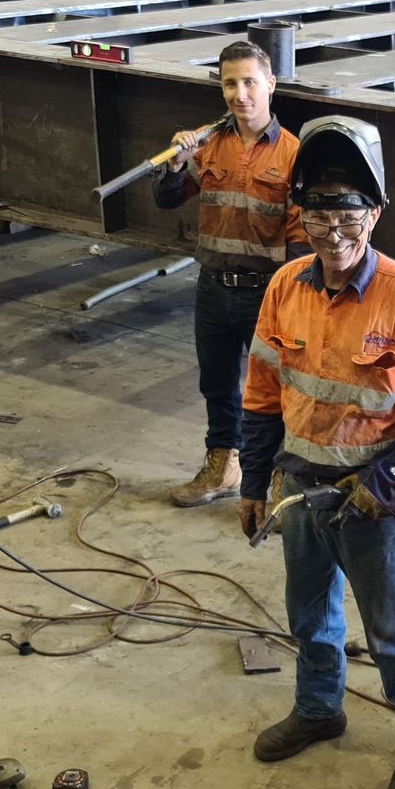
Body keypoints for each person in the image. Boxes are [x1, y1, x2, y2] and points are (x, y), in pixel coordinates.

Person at [237, 117, 395, 789]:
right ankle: (319, 710)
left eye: (347, 213)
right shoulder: (285, 286)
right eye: (317, 212)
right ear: (300, 216)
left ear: (373, 215)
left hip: (371, 503)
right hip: (300, 492)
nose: (331, 229)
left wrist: (387, 481)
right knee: (309, 617)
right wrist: (254, 483)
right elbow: (259, 395)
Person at [153, 40, 305, 506]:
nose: (240, 94)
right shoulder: (206, 143)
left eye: (249, 83)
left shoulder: (294, 154)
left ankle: (279, 482)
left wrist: (296, 301)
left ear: (271, 85)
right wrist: (176, 165)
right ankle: (223, 467)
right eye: (229, 84)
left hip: (267, 294)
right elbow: (167, 199)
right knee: (217, 384)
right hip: (214, 288)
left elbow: (300, 240)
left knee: (277, 393)